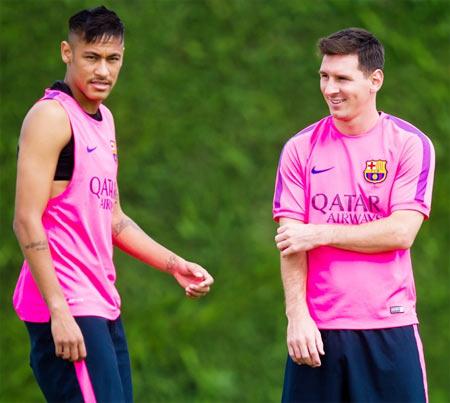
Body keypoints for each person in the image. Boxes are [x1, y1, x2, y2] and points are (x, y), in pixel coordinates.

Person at [13, 6, 214, 403]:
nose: (103, 71)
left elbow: (114, 219)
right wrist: (59, 311)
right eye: (91, 57)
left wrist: (174, 264)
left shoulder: (104, 120)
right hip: (67, 305)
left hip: (101, 302)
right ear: (67, 53)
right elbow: (25, 220)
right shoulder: (51, 117)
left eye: (113, 59)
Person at [273, 28, 434, 402]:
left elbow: (401, 232)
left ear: (375, 80)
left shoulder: (410, 144)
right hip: (317, 332)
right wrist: (297, 317)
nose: (331, 89)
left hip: (389, 327)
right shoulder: (300, 148)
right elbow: (290, 241)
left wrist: (320, 233)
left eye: (342, 78)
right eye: (324, 77)